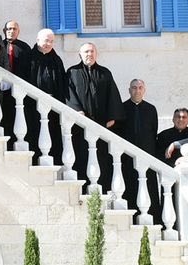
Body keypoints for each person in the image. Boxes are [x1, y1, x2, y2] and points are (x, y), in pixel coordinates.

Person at [64, 42, 123, 187]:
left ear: (96, 54)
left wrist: (112, 118)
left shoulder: (105, 73)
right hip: (80, 126)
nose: (89, 54)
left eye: (92, 51)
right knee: (81, 157)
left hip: (101, 125)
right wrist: (77, 111)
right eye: (86, 52)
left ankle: (102, 189)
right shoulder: (72, 72)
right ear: (80, 54)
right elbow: (68, 94)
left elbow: (113, 96)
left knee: (102, 159)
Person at [116, 78, 159, 215]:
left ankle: (152, 216)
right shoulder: (122, 108)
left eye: (140, 88)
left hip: (147, 155)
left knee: (149, 186)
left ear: (144, 90)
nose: (137, 91)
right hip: (127, 157)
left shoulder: (151, 109)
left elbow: (153, 131)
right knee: (129, 185)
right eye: (134, 88)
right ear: (129, 90)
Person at [25, 28, 66, 157]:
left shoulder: (56, 60)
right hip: (32, 106)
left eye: (51, 41)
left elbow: (61, 83)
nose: (49, 44)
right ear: (38, 40)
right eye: (46, 40)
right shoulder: (27, 58)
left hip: (52, 107)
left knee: (52, 136)